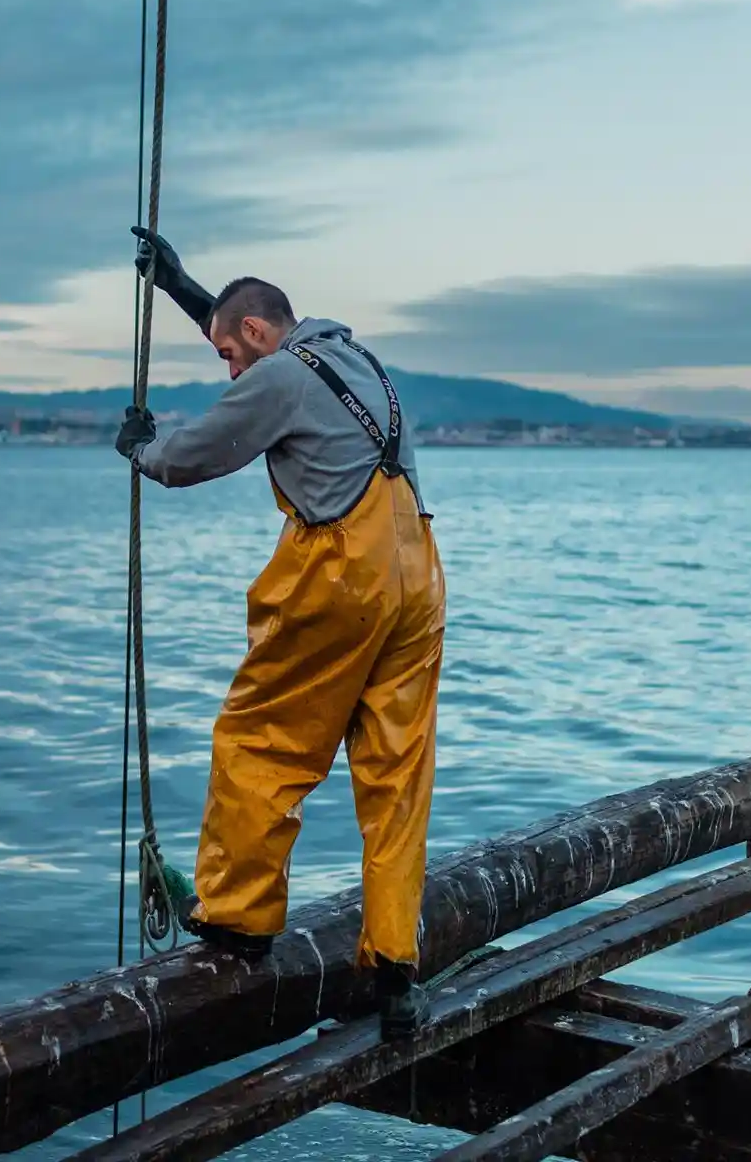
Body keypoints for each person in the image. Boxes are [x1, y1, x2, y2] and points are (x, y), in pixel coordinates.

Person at [114, 225, 445, 1039]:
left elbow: (197, 452)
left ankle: (238, 919)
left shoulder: (283, 377)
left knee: (262, 741)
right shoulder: (356, 363)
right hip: (419, 574)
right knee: (397, 771)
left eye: (230, 353)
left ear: (259, 337)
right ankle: (396, 962)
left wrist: (143, 449)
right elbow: (249, 324)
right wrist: (185, 290)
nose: (229, 370)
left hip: (343, 575)